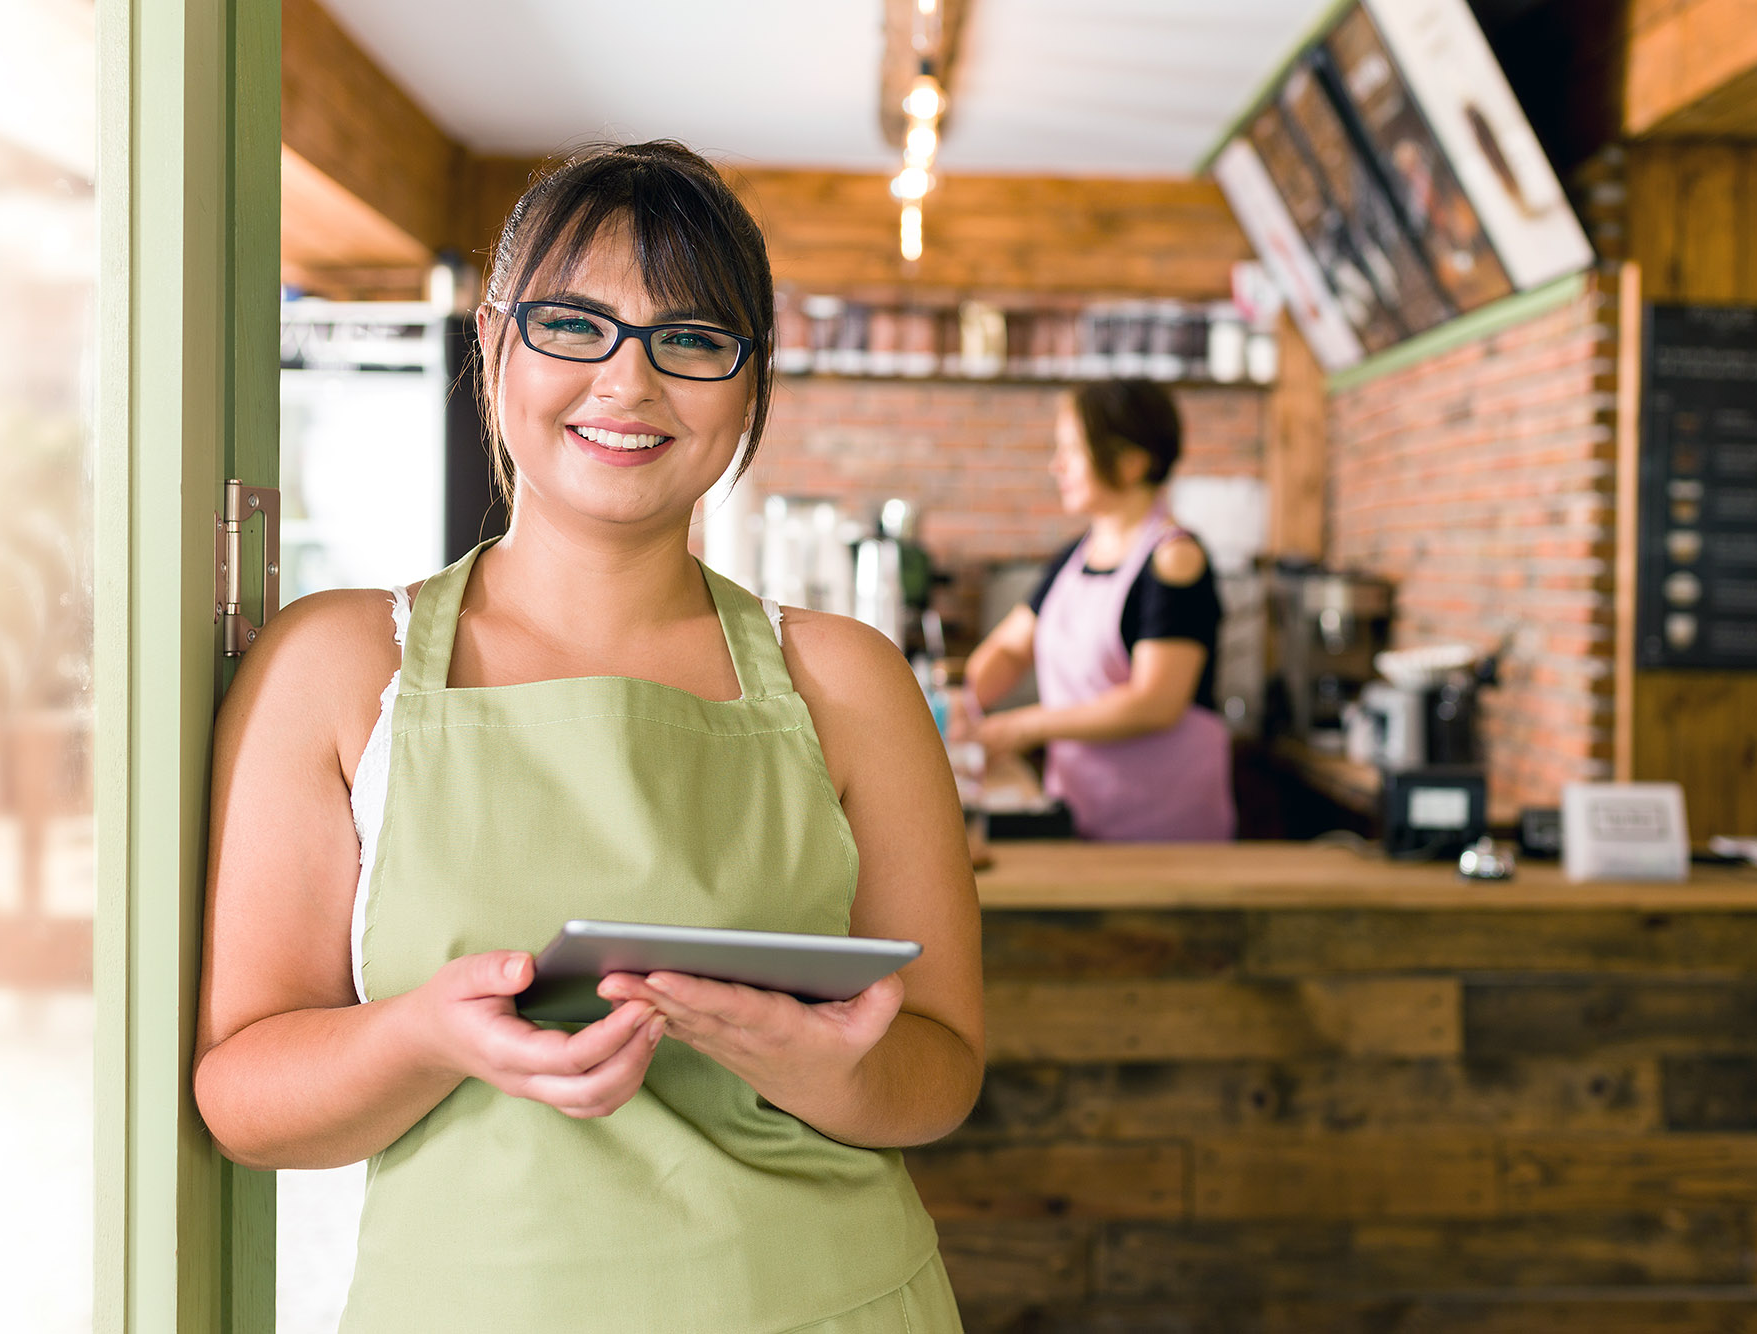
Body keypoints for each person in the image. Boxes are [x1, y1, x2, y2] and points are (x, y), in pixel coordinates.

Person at [193, 141, 984, 1332]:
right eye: (575, 324)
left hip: (832, 1299)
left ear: (751, 383)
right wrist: (426, 1036)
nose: (629, 380)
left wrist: (828, 1069)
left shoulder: (850, 680)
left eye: (694, 339)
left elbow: (942, 1068)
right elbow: (244, 1095)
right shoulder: (335, 666)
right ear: (492, 343)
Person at [964, 381, 1235, 841]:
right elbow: (1010, 649)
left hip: (1166, 831)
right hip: (1080, 810)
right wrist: (963, 702)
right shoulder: (1074, 558)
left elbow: (1156, 702)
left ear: (1131, 463)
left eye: (1073, 449)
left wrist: (1022, 727)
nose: (1057, 466)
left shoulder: (1176, 561)